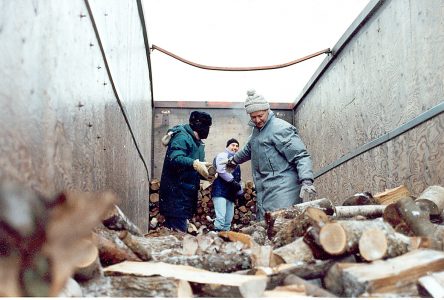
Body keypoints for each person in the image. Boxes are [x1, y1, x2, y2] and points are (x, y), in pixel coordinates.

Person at [225, 89, 316, 220]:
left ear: (267, 110)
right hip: (265, 188)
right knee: (266, 226)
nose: (257, 120)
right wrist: (233, 161)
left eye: (260, 115)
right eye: (253, 117)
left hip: (284, 188)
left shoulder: (280, 129)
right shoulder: (257, 131)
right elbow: (248, 149)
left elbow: (300, 155)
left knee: (281, 224)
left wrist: (306, 179)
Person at [159, 111, 213, 232]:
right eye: (207, 126)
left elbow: (194, 166)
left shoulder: (196, 141)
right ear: (200, 126)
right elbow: (175, 157)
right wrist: (195, 163)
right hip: (176, 195)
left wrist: (207, 173)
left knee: (175, 234)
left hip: (184, 196)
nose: (208, 130)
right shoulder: (182, 137)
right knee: (177, 235)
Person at [211, 138, 243, 231]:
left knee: (228, 221)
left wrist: (240, 193)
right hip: (220, 191)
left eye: (237, 146)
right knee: (220, 219)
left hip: (230, 194)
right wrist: (232, 182)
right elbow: (221, 171)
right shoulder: (222, 155)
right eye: (233, 145)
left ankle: (225, 242)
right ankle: (216, 239)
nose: (235, 147)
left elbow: (239, 180)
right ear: (227, 146)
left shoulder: (237, 162)